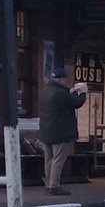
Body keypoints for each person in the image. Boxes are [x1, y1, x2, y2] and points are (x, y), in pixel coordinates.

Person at [38, 67, 87, 195]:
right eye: (65, 79)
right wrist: (83, 92)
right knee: (58, 158)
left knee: (48, 158)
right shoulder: (60, 93)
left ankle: (48, 183)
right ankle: (54, 185)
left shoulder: (45, 91)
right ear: (62, 79)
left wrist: (70, 92)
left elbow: (63, 101)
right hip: (59, 130)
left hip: (45, 130)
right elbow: (77, 102)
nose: (66, 81)